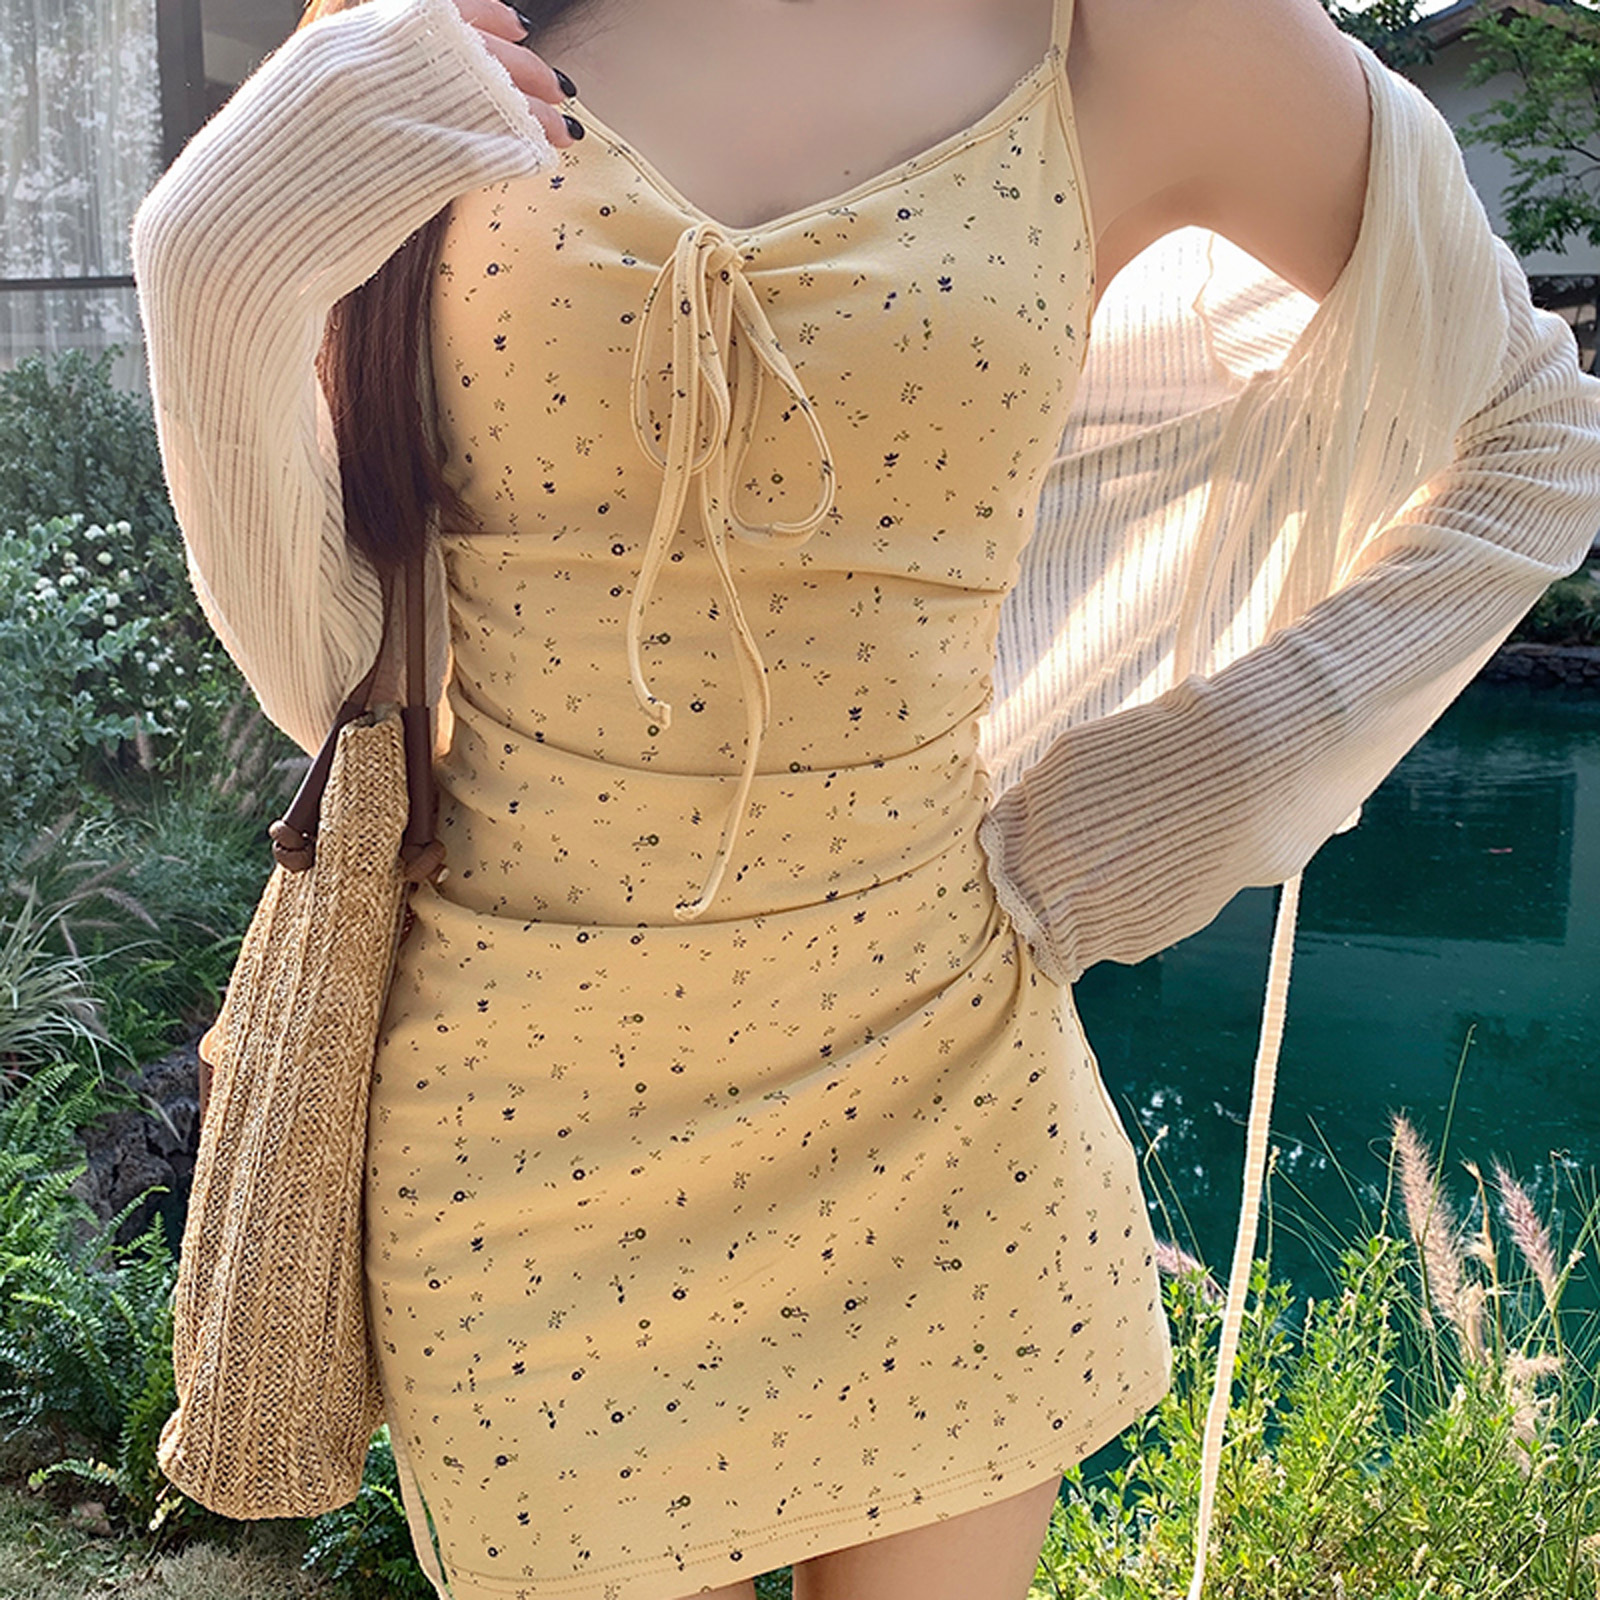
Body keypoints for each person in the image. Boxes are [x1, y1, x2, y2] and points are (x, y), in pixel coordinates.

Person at [130, 2, 1600, 1598]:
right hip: (517, 1144)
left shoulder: (1136, 32)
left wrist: (1175, 798)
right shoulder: (436, 20)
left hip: (945, 1102)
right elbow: (337, 683)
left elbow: (1534, 441)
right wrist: (210, 262)